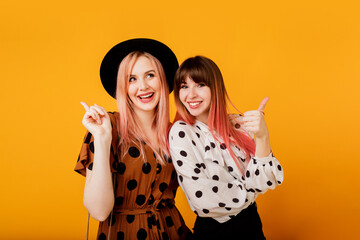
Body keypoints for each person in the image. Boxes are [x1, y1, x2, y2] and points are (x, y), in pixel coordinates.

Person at [74, 38, 192, 240]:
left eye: (150, 75)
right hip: (123, 233)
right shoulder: (106, 126)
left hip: (172, 232)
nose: (143, 86)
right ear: (123, 87)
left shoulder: (177, 132)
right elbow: (99, 212)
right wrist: (102, 140)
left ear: (162, 79)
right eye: (132, 79)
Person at [168, 56, 284, 239]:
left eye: (200, 85)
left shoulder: (238, 123)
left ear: (215, 88)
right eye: (184, 86)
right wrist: (251, 189)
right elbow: (203, 201)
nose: (190, 95)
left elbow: (266, 180)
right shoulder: (181, 133)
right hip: (214, 232)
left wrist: (262, 136)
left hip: (252, 226)